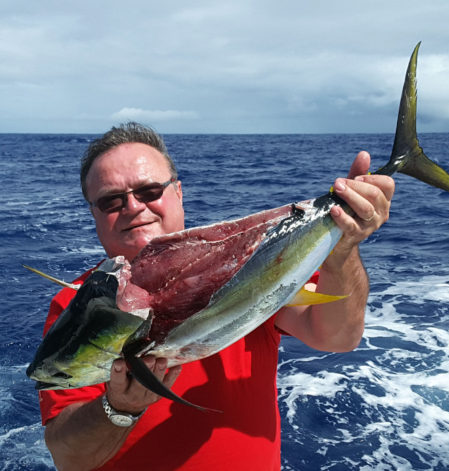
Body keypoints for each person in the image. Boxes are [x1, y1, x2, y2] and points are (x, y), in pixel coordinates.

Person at [38, 122, 395, 470]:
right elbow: (69, 459)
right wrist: (118, 409)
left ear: (178, 193)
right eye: (112, 201)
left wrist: (343, 248)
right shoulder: (75, 307)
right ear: (94, 213)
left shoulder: (249, 262)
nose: (133, 207)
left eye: (148, 192)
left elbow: (337, 336)